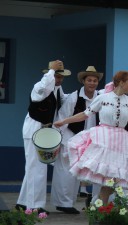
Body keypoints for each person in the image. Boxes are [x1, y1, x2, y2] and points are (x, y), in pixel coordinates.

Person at [54, 71, 128, 205]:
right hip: (104, 139)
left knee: (115, 179)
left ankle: (101, 207)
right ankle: (100, 207)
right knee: (107, 179)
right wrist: (64, 121)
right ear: (121, 83)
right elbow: (85, 114)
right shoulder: (103, 98)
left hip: (121, 142)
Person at [16, 60, 71, 214]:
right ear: (49, 75)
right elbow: (41, 90)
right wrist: (51, 72)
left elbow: (66, 101)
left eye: (60, 77)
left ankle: (22, 201)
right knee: (37, 168)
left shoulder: (58, 91)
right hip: (34, 129)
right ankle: (34, 205)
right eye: (56, 76)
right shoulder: (39, 87)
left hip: (45, 131)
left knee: (33, 167)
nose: (58, 79)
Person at [50, 66, 103, 214]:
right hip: (70, 137)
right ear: (83, 81)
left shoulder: (100, 97)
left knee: (82, 172)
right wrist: (57, 140)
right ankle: (63, 203)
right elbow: (62, 118)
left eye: (95, 80)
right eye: (89, 80)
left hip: (90, 139)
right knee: (65, 171)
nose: (92, 83)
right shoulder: (74, 97)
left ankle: (73, 201)